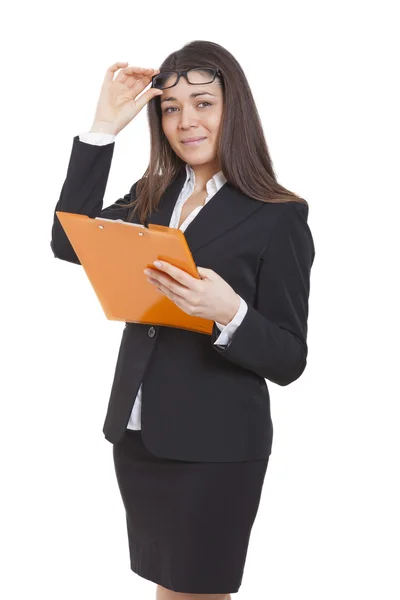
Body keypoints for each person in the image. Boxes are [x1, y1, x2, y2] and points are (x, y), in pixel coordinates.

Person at [50, 40, 315, 600]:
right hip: (142, 436)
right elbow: (68, 240)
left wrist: (230, 314)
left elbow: (290, 357)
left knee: (198, 592)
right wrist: (103, 129)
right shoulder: (154, 194)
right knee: (168, 591)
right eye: (171, 108)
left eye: (203, 103)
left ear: (233, 109)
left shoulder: (278, 216)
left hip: (217, 447)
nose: (185, 120)